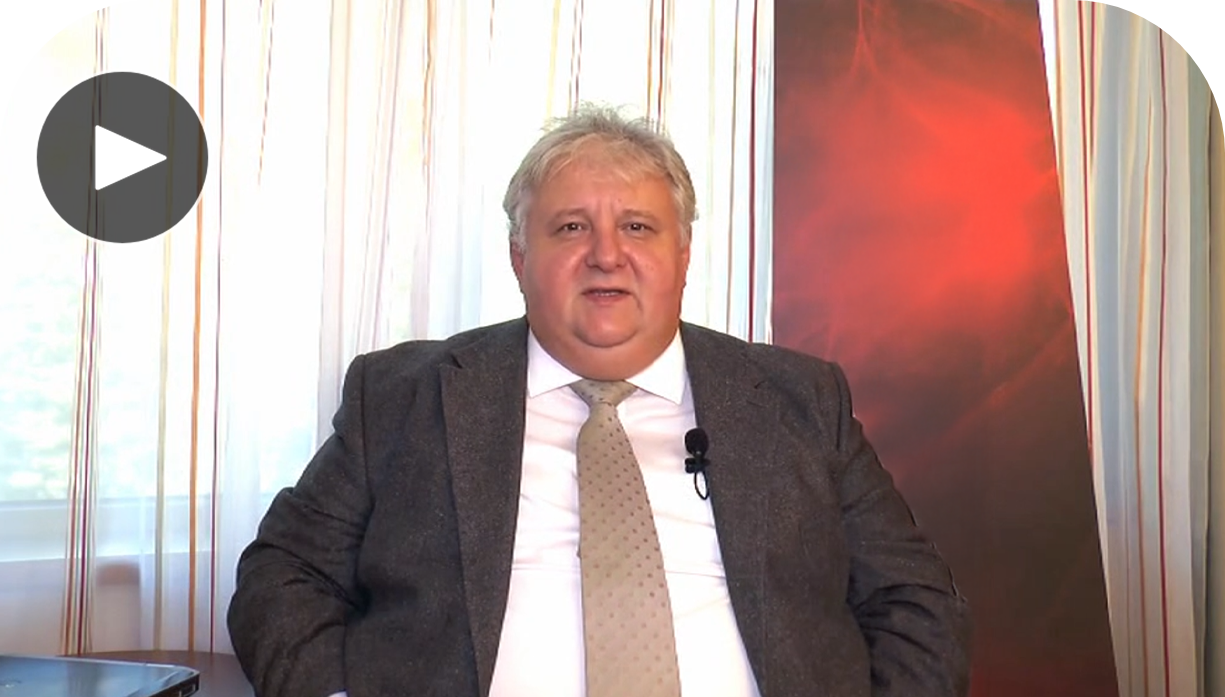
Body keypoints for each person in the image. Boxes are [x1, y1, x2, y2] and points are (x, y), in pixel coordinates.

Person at [227, 105, 972, 697]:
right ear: (519, 258)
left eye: (638, 227)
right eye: (571, 227)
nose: (606, 255)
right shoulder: (404, 396)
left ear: (683, 255)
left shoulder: (799, 400)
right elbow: (283, 575)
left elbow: (916, 601)